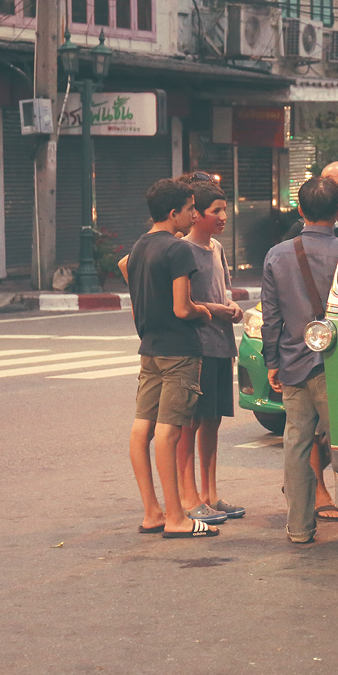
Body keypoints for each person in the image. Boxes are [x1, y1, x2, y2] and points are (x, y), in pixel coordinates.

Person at [126, 178, 220, 538]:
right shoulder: (177, 250)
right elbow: (182, 308)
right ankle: (177, 518)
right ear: (173, 212)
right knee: (169, 431)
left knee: (142, 428)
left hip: (150, 349)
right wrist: (203, 311)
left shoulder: (139, 247)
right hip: (180, 351)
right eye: (189, 208)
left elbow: (135, 293)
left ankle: (153, 512)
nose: (193, 215)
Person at [261, 177, 338, 544]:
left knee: (296, 443)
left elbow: (271, 315)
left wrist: (272, 361)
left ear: (300, 210)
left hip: (294, 361)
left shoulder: (277, 255)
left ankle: (298, 528)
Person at [175, 177, 246, 522]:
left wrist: (231, 307)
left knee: (213, 422)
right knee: (190, 423)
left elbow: (224, 291)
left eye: (224, 211)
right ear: (196, 215)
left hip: (222, 345)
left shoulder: (217, 249)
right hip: (197, 347)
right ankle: (189, 497)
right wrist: (217, 309)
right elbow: (184, 302)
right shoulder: (183, 250)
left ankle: (210, 492)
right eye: (216, 211)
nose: (222, 217)